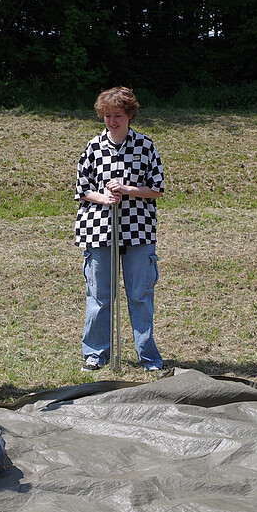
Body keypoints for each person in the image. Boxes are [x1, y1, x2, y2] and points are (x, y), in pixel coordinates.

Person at [74, 86, 165, 372]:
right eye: (107, 116)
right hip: (99, 229)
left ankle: (148, 357)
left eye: (118, 116)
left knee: (140, 295)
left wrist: (128, 190)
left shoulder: (146, 146)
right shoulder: (93, 147)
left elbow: (157, 189)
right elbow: (81, 188)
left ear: (129, 116)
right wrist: (103, 197)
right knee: (99, 296)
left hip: (138, 230)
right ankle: (95, 354)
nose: (112, 121)